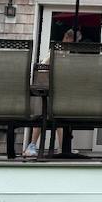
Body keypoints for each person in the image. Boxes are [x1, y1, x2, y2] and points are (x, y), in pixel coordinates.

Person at [24, 28, 78, 156]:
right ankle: (32, 145)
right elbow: (42, 68)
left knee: (59, 116)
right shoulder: (56, 51)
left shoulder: (67, 52)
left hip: (60, 90)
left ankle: (62, 147)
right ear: (68, 38)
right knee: (43, 113)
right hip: (46, 89)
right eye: (74, 41)